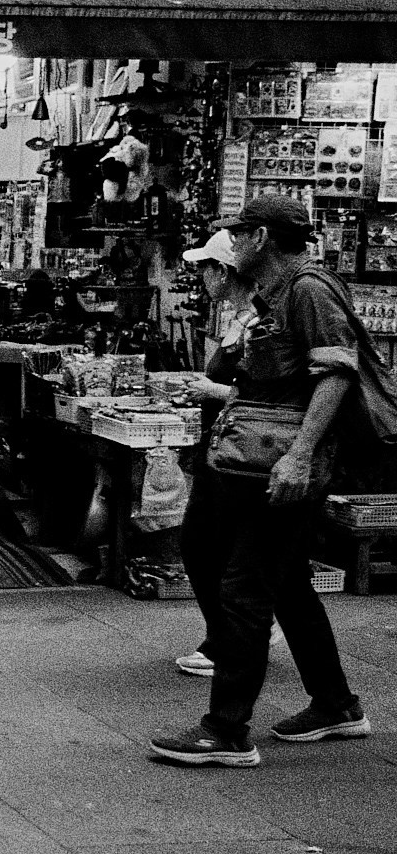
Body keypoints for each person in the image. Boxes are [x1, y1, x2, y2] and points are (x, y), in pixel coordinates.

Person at [149, 197, 371, 767]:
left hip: (282, 465)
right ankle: (336, 704)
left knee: (245, 590)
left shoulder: (308, 289)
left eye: (237, 233)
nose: (230, 242)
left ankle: (226, 730)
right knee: (288, 585)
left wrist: (300, 457)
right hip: (253, 458)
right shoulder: (274, 294)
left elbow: (336, 374)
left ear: (261, 237)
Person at [173, 228, 283, 677]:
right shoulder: (235, 316)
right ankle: (231, 635)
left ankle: (233, 640)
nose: (200, 277)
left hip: (244, 449)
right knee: (206, 544)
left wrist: (211, 389)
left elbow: (270, 390)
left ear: (222, 271)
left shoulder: (259, 317)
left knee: (207, 546)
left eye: (204, 268)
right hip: (221, 444)